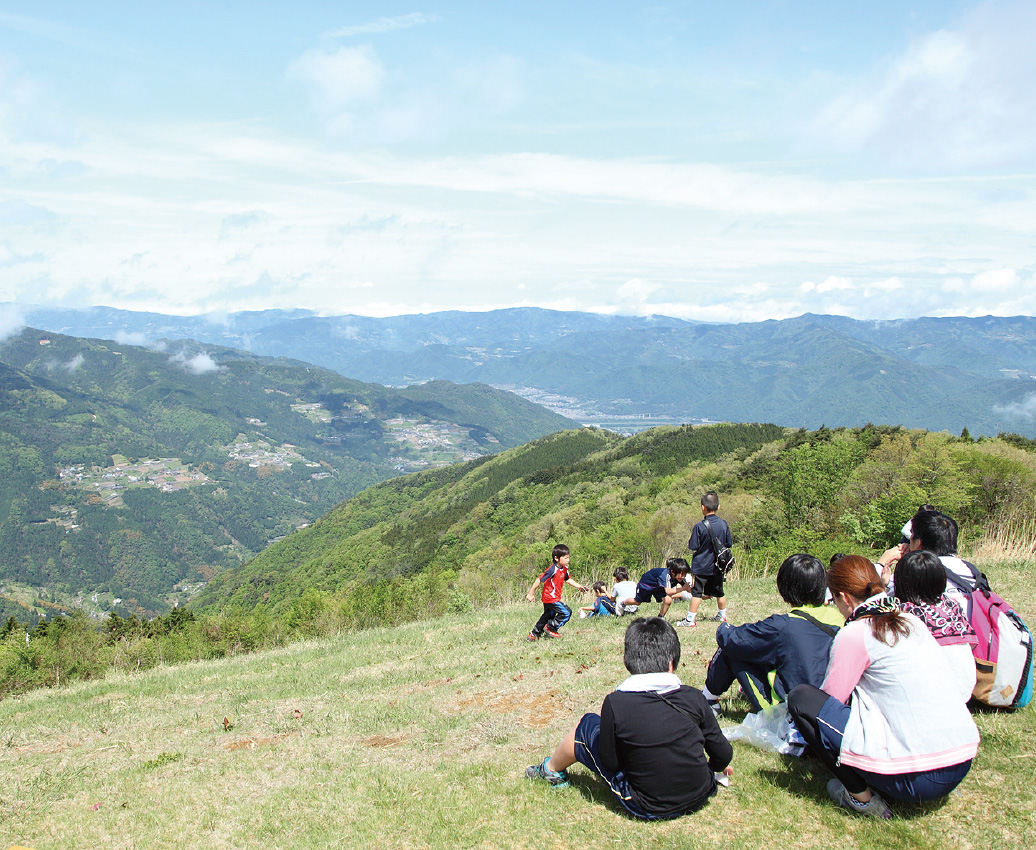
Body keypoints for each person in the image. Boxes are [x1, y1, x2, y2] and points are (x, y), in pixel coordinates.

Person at [788, 556, 979, 818]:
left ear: (844, 598)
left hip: (917, 780)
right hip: (961, 760)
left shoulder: (857, 632)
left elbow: (831, 700)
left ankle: (861, 799)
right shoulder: (911, 621)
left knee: (803, 699)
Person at [525, 617, 734, 819]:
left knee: (587, 724)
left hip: (645, 805)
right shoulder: (693, 697)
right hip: (701, 793)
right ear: (672, 662)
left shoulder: (616, 703)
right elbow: (723, 754)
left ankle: (550, 769)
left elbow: (611, 763)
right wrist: (710, 766)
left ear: (627, 661)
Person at [701, 554, 842, 715]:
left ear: (784, 587)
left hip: (787, 712)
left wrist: (723, 628)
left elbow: (733, 639)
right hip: (830, 707)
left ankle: (708, 700)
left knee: (732, 649)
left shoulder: (783, 626)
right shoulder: (838, 619)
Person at [893, 549, 977, 702]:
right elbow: (970, 644)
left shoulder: (905, 612)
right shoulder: (952, 603)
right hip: (965, 688)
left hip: (935, 694)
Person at [878, 509, 974, 611]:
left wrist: (882, 562)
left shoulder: (913, 572)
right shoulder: (972, 571)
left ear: (918, 542)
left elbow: (866, 600)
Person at [676, 492, 732, 627]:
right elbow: (728, 543)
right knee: (719, 591)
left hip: (702, 565)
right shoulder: (724, 524)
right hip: (718, 565)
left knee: (697, 592)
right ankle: (722, 615)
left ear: (702, 507)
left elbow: (693, 546)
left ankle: (690, 619)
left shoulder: (699, 526)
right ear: (719, 507)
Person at [526, 544, 588, 641]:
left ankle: (534, 634)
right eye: (565, 558)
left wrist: (579, 586)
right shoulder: (552, 570)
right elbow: (539, 580)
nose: (568, 560)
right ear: (556, 558)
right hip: (550, 598)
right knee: (566, 612)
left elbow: (567, 579)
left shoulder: (564, 569)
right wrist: (531, 594)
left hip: (552, 598)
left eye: (568, 557)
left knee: (548, 615)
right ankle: (551, 628)